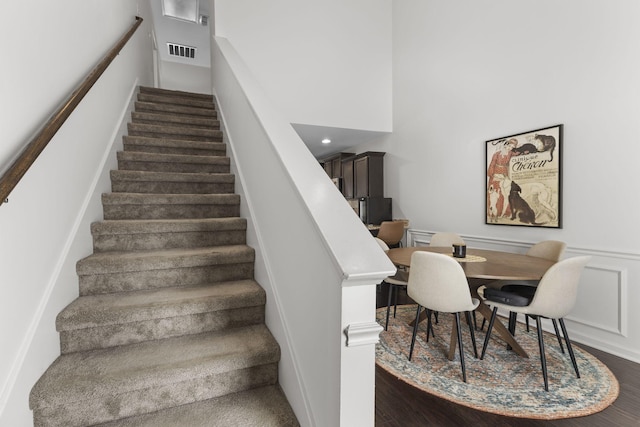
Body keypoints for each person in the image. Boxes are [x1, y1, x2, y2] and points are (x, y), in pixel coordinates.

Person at [487, 138, 517, 218]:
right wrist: (492, 175)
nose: (510, 148)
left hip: (504, 173)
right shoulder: (497, 154)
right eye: (509, 146)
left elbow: (517, 154)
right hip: (495, 173)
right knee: (494, 192)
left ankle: (504, 213)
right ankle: (493, 212)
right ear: (506, 144)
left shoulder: (510, 153)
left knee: (504, 193)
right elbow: (492, 164)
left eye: (512, 147)